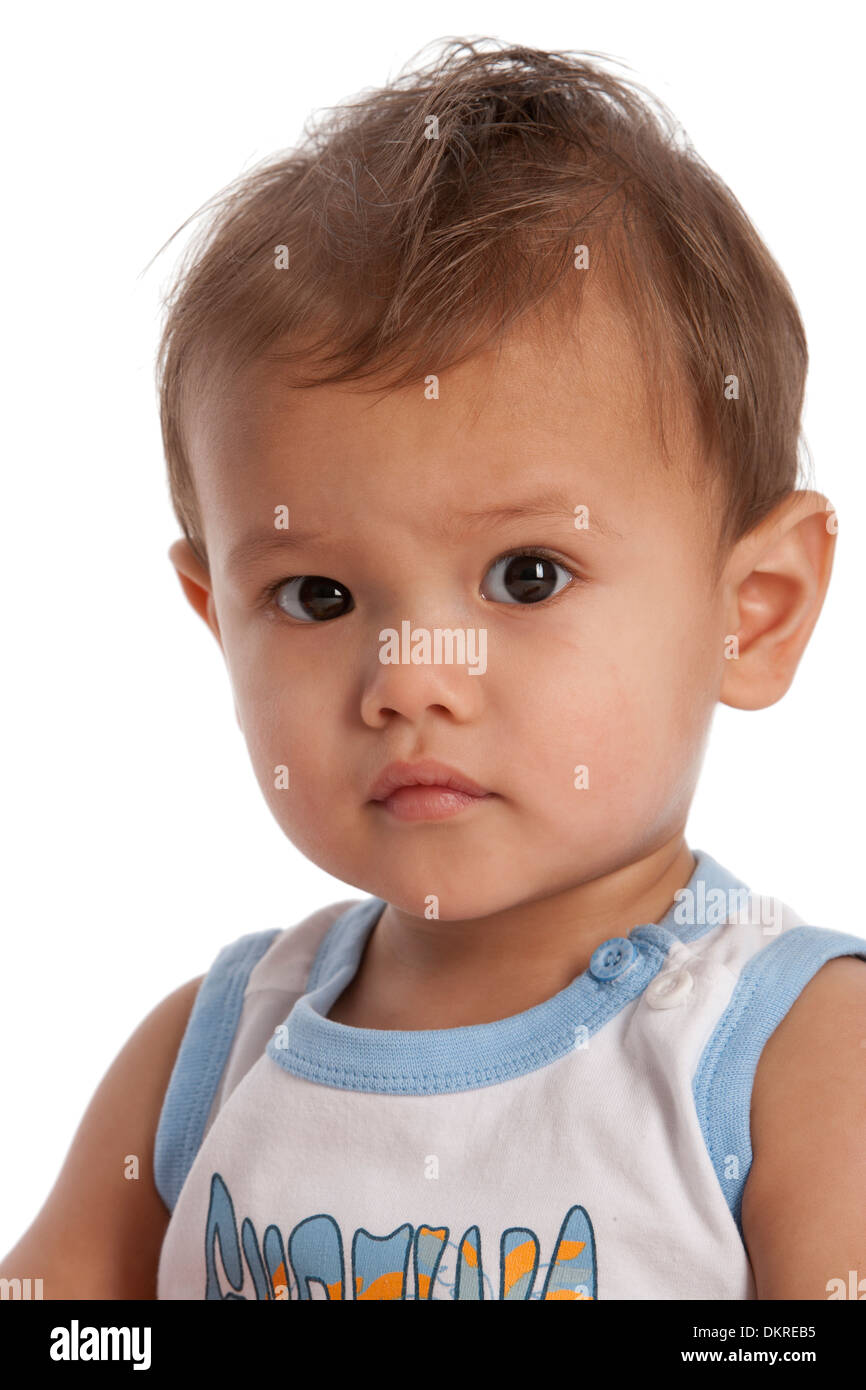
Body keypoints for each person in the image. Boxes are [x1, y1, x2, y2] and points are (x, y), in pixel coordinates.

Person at [3, 37, 864, 1301]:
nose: (411, 677)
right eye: (317, 596)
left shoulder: (784, 1054)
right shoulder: (213, 1051)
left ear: (754, 610)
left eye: (525, 576)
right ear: (214, 618)